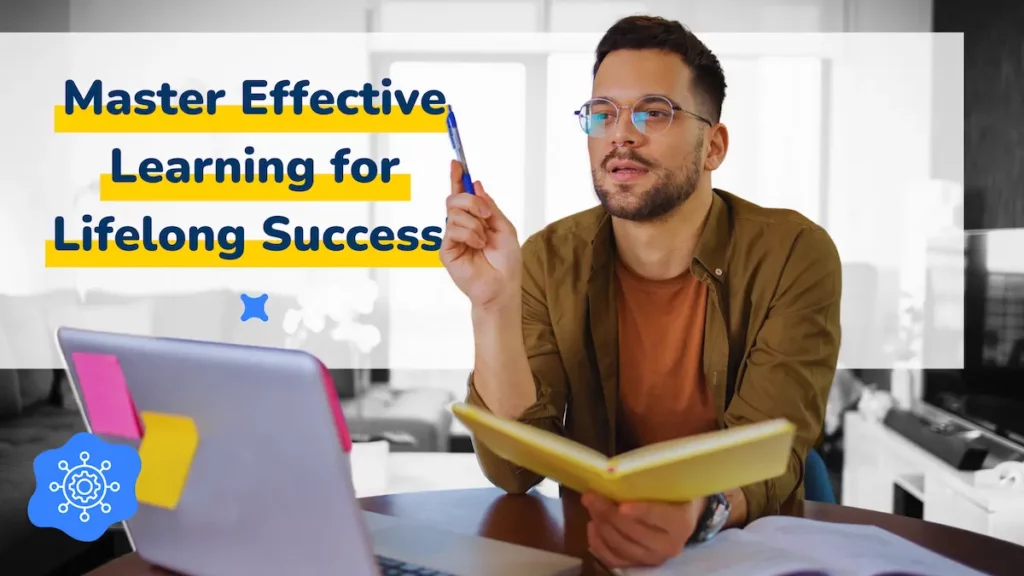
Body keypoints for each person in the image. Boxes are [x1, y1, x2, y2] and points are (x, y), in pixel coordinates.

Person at [440, 15, 842, 570]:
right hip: (596, 556)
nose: (620, 134)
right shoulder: (547, 258)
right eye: (602, 114)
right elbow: (514, 471)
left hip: (746, 558)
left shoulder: (795, 252)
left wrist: (696, 514)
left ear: (714, 147)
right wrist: (492, 306)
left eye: (654, 112)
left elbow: (772, 452)